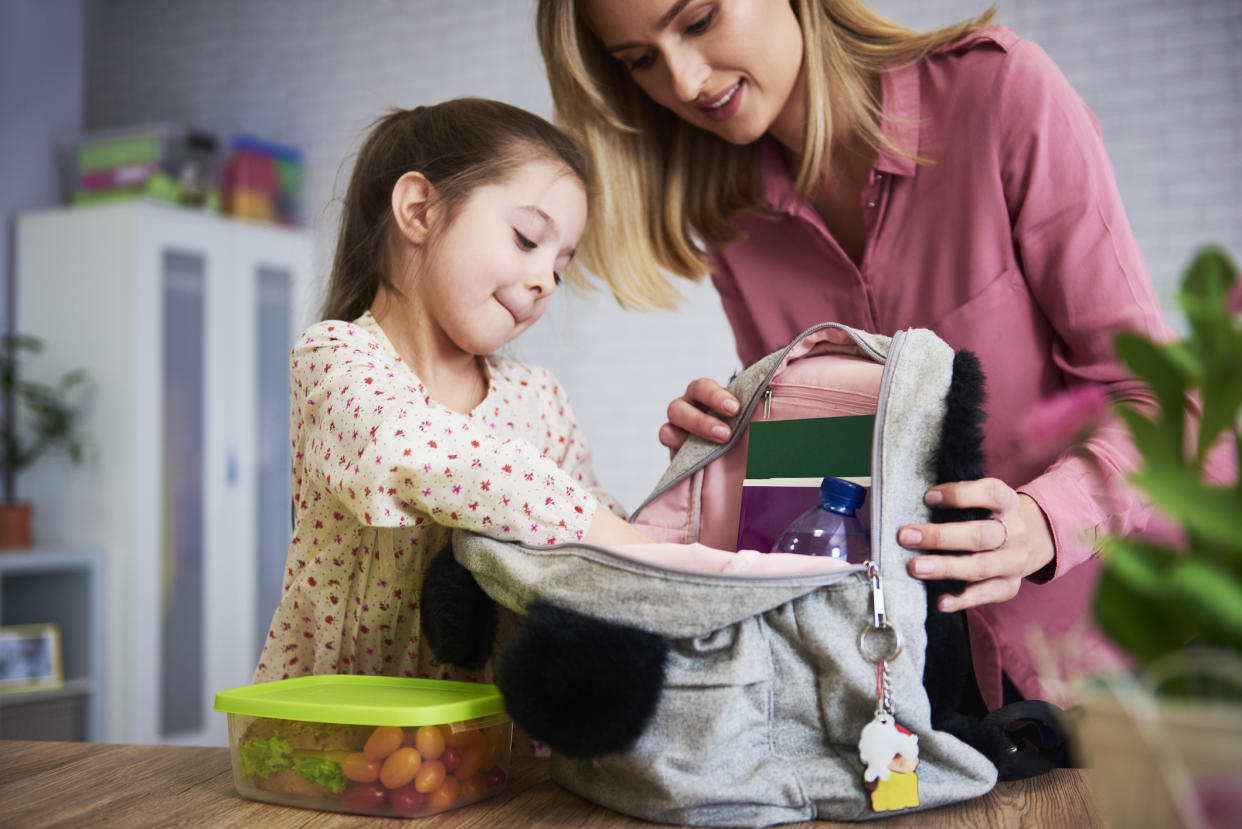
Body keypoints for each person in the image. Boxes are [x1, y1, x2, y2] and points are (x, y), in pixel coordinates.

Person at [535, 0, 1184, 711]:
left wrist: (1041, 521)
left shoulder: (999, 94)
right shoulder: (732, 215)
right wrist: (732, 458)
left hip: (1125, 649)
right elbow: (830, 481)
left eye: (698, 20)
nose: (684, 81)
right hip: (922, 681)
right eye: (641, 62)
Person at [254, 99, 649, 699]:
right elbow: (407, 449)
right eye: (526, 239)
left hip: (500, 738)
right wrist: (587, 523)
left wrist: (636, 526)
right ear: (419, 211)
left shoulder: (538, 399)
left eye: (561, 268)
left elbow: (591, 527)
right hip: (348, 733)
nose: (545, 281)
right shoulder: (336, 359)